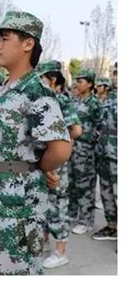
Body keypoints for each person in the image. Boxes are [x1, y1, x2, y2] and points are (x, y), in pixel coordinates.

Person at [0, 11, 72, 275]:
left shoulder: (36, 92)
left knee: (21, 272)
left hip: (18, 204)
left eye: (5, 38)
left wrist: (38, 168)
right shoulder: (6, 88)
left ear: (28, 44)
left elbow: (61, 149)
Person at [37, 61, 82, 269]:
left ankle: (61, 251)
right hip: (44, 160)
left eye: (42, 78)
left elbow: (76, 130)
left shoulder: (61, 100)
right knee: (44, 202)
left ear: (53, 79)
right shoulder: (45, 100)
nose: (39, 83)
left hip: (56, 161)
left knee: (57, 203)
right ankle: (44, 239)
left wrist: (61, 144)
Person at [68, 68, 102, 235]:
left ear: (89, 84)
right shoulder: (75, 101)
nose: (77, 84)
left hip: (86, 151)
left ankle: (86, 221)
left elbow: (100, 128)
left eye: (81, 81)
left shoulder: (94, 103)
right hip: (72, 149)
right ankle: (73, 213)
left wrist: (87, 139)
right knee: (72, 184)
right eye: (77, 81)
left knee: (85, 186)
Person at [93, 74, 118, 242]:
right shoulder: (105, 100)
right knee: (106, 192)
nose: (115, 77)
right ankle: (112, 227)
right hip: (103, 153)